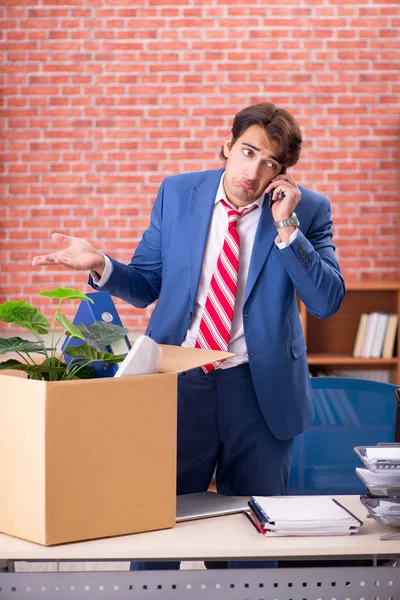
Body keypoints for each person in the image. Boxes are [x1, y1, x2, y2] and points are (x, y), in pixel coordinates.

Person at [32, 102, 345, 568]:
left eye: (270, 163)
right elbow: (146, 285)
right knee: (158, 535)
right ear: (228, 144)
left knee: (253, 547)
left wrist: (286, 227)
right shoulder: (178, 193)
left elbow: (325, 302)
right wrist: (101, 262)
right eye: (247, 151)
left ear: (283, 174)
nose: (253, 171)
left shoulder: (308, 212)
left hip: (260, 395)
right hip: (178, 385)